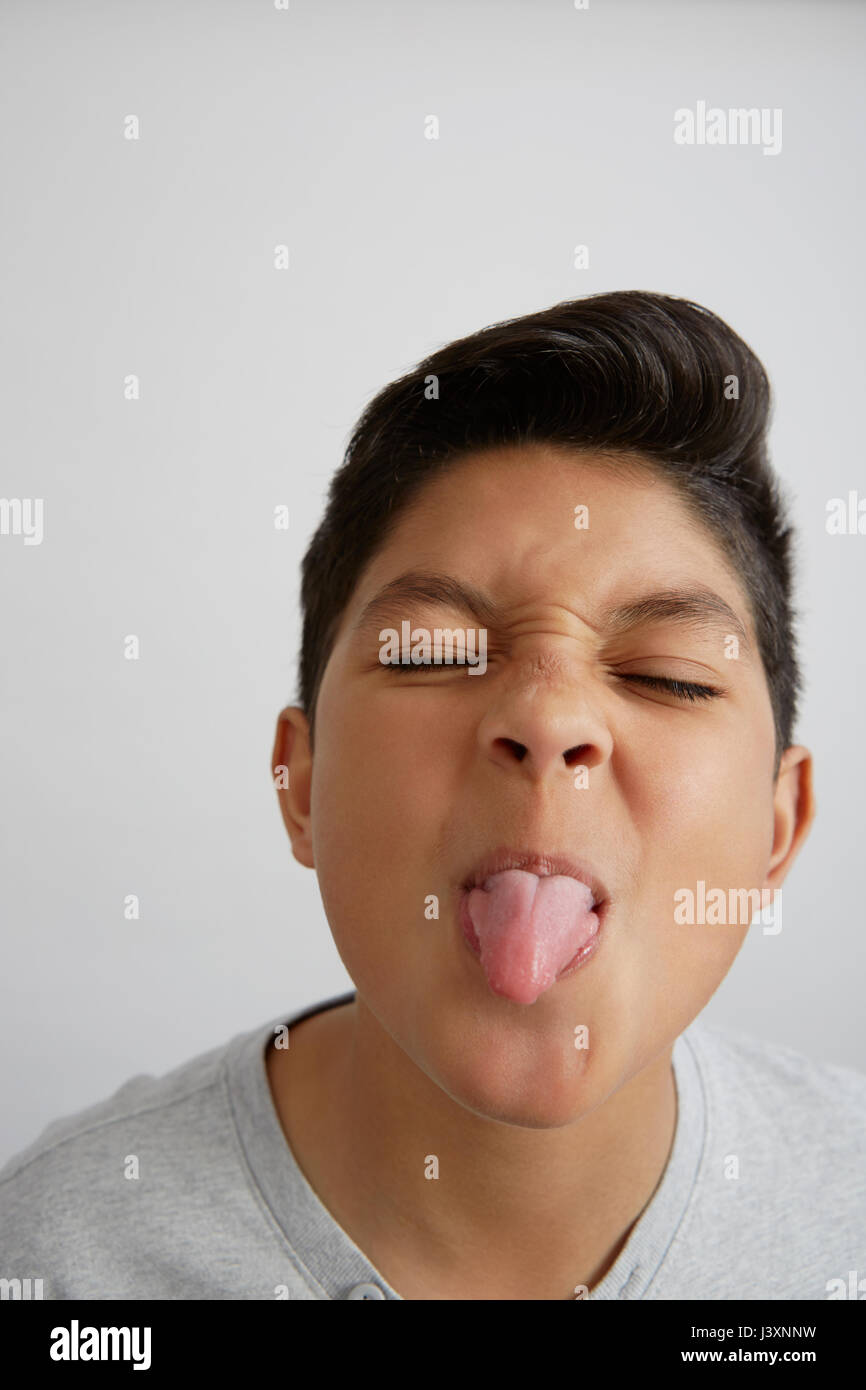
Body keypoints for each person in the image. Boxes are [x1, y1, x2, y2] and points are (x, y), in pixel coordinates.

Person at [2, 291, 863, 1301]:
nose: (548, 718)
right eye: (435, 654)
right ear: (302, 782)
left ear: (776, 827)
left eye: (667, 674)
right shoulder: (58, 1266)